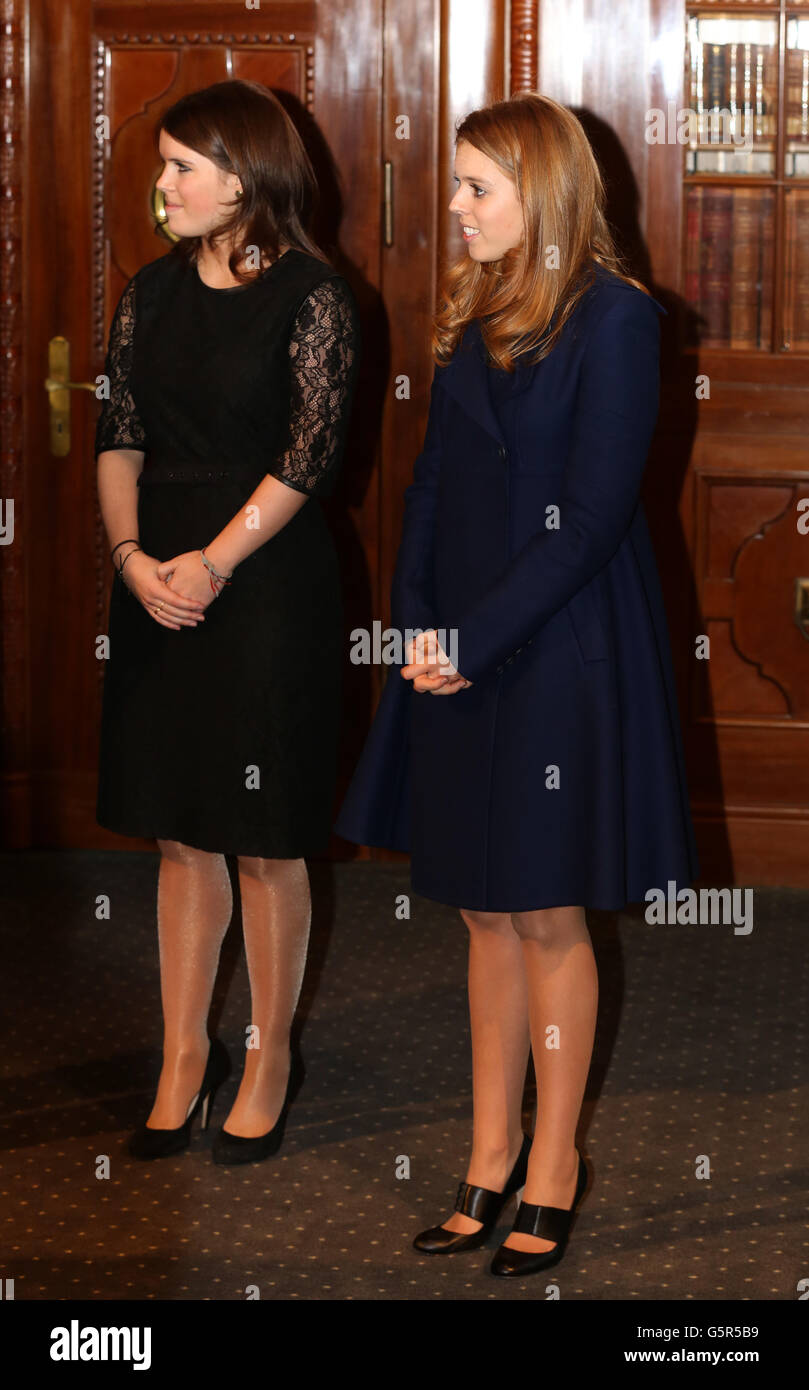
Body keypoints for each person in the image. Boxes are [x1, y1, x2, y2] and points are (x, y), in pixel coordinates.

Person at [334, 92, 699, 1277]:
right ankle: (486, 1155)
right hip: (458, 646)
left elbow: (592, 518)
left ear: (538, 195)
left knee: (545, 910)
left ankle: (552, 1168)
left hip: (559, 645)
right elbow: (432, 480)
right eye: (454, 184)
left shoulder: (617, 320)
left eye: (473, 188)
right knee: (480, 909)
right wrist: (415, 626)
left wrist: (473, 636)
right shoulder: (474, 310)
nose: (452, 206)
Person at [95, 79, 360, 1165]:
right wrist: (132, 560)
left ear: (243, 179)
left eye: (178, 168)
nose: (160, 188)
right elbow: (120, 434)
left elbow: (306, 458)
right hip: (155, 575)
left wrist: (210, 562)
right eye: (161, 167)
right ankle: (179, 1057)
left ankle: (266, 1058)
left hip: (265, 582)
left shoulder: (314, 298)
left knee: (261, 838)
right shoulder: (147, 295)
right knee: (178, 829)